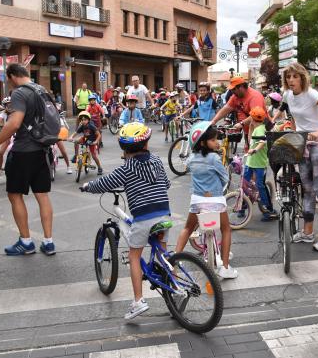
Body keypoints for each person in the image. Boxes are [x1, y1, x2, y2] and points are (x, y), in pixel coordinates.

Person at [81, 122, 171, 319]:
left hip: (144, 217)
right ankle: (173, 285)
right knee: (163, 255)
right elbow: (167, 184)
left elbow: (105, 182)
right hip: (164, 214)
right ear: (146, 144)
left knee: (134, 256)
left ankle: (138, 301)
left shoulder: (127, 168)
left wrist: (88, 186)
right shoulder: (156, 160)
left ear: (124, 148)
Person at [0, 64, 55, 256]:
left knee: (15, 195)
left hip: (23, 151)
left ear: (12, 76)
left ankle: (26, 242)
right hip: (43, 149)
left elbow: (14, 124)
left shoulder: (20, 93)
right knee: (42, 195)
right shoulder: (41, 90)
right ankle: (48, 242)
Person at [272, 62, 318, 252]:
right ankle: (308, 232)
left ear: (302, 77)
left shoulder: (311, 94)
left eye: (295, 76)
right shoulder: (287, 95)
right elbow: (293, 117)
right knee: (307, 190)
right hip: (302, 144)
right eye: (288, 76)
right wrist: (293, 132)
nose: (291, 80)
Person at [174, 121, 236, 279]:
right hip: (216, 200)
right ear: (203, 142)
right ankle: (225, 267)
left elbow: (188, 167)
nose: (217, 142)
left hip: (197, 201)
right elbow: (224, 178)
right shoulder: (214, 158)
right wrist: (218, 188)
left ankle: (173, 262)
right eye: (214, 140)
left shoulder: (192, 159)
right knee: (226, 229)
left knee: (187, 229)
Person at [244, 106, 278, 221]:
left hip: (259, 164)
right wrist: (250, 128)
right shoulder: (256, 128)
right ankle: (244, 205)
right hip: (251, 162)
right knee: (246, 184)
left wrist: (255, 150)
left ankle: (269, 210)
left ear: (252, 118)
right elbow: (250, 142)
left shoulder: (262, 130)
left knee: (258, 185)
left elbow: (262, 142)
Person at [211, 76, 266, 145]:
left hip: (259, 131)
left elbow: (256, 115)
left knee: (257, 153)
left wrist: (241, 123)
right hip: (248, 130)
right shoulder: (236, 96)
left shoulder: (254, 97)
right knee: (249, 151)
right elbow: (226, 108)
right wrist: (214, 121)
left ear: (241, 87)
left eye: (233, 89)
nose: (232, 92)